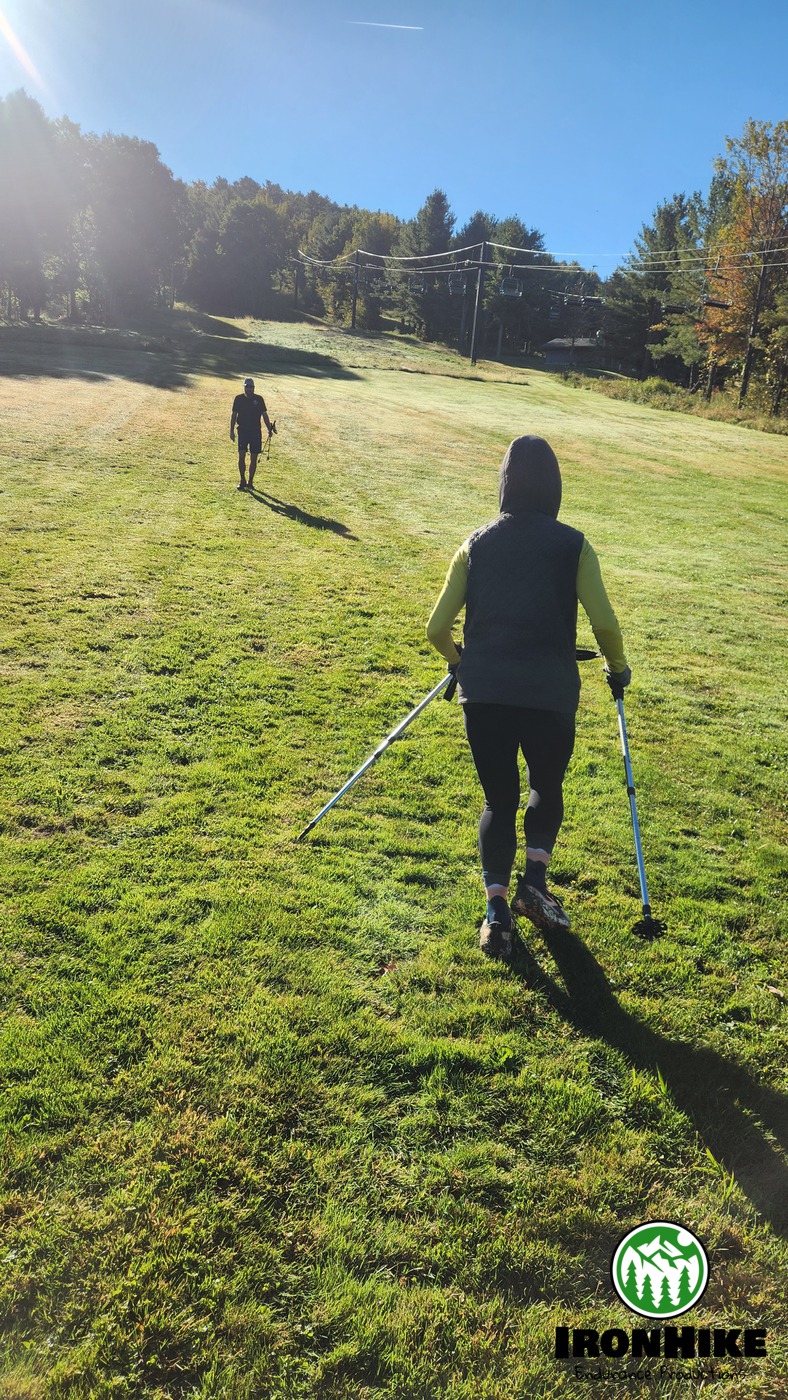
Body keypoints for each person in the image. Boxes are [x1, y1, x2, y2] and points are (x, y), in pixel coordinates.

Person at [426, 434, 631, 960]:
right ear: (554, 487)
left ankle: (496, 913)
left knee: (499, 798)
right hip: (550, 692)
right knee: (546, 785)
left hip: (485, 693)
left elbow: (436, 628)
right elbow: (605, 625)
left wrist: (458, 661)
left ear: (504, 483)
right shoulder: (574, 545)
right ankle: (534, 882)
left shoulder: (475, 543)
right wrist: (617, 668)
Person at [230, 377, 274, 489]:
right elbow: (234, 415)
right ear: (244, 387)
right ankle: (242, 480)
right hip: (242, 431)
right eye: (247, 387)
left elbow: (264, 415)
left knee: (254, 458)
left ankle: (250, 482)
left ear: (254, 388)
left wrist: (269, 428)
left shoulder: (259, 399)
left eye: (251, 387)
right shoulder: (238, 399)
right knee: (241, 456)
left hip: (255, 432)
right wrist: (231, 431)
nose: (249, 389)